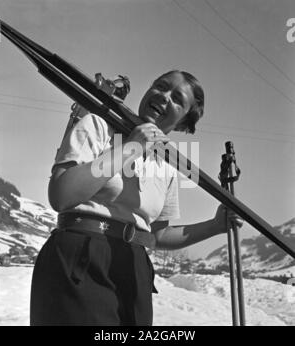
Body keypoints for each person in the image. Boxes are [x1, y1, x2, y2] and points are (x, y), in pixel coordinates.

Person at [30, 70, 243, 326]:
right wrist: (131, 148)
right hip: (81, 258)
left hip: (134, 268)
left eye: (177, 99)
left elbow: (157, 235)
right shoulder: (98, 125)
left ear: (184, 121)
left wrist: (215, 226)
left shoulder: (168, 163)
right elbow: (62, 194)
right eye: (160, 86)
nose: (164, 96)